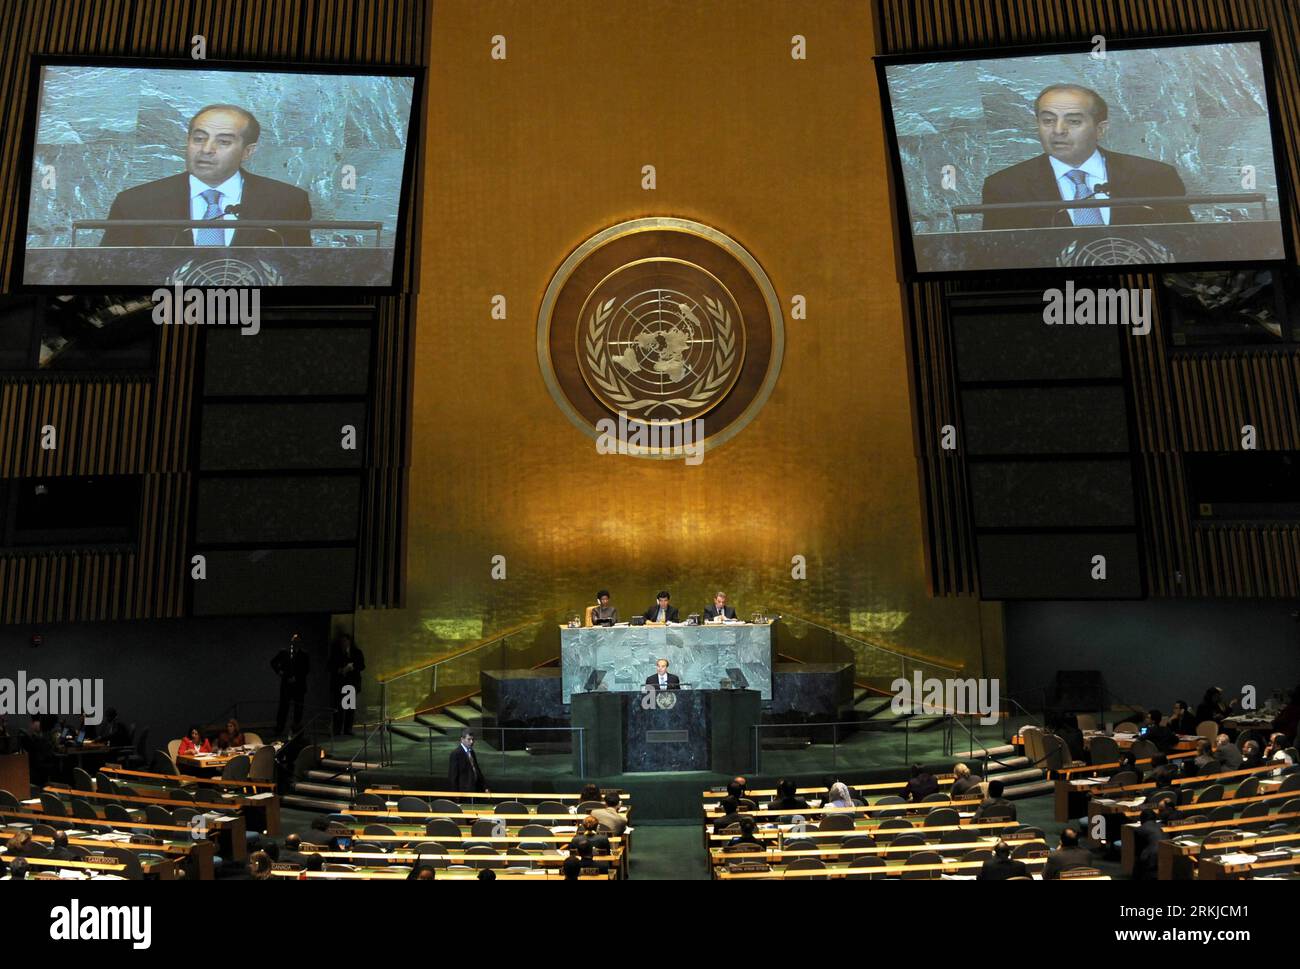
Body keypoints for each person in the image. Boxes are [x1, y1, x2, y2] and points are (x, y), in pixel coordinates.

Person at [980, 83, 1192, 230]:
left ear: (1100, 129)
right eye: (1048, 120)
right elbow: (998, 256)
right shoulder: (1005, 187)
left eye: (1073, 121)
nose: (1058, 130)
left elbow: (1185, 243)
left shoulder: (1154, 177)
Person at [100, 104, 313, 247]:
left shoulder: (287, 202)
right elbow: (109, 272)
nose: (206, 149)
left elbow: (298, 272)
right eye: (199, 138)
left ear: (248, 151)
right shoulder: (135, 203)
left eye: (223, 142)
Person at [271, 633, 310, 737]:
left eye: (297, 640)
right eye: (293, 640)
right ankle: (279, 729)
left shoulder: (304, 654)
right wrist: (280, 672)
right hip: (286, 686)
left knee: (298, 709)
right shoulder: (284, 652)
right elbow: (273, 662)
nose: (295, 642)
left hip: (299, 686)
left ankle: (297, 730)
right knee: (283, 708)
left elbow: (306, 669)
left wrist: (296, 677)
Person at [328, 632, 366, 736]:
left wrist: (352, 667)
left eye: (345, 641)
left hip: (351, 684)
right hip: (339, 684)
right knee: (339, 708)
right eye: (342, 642)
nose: (343, 643)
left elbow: (362, 666)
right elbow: (329, 666)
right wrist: (339, 670)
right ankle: (337, 729)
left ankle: (347, 729)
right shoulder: (336, 653)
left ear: (349, 642)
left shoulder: (356, 652)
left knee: (350, 708)